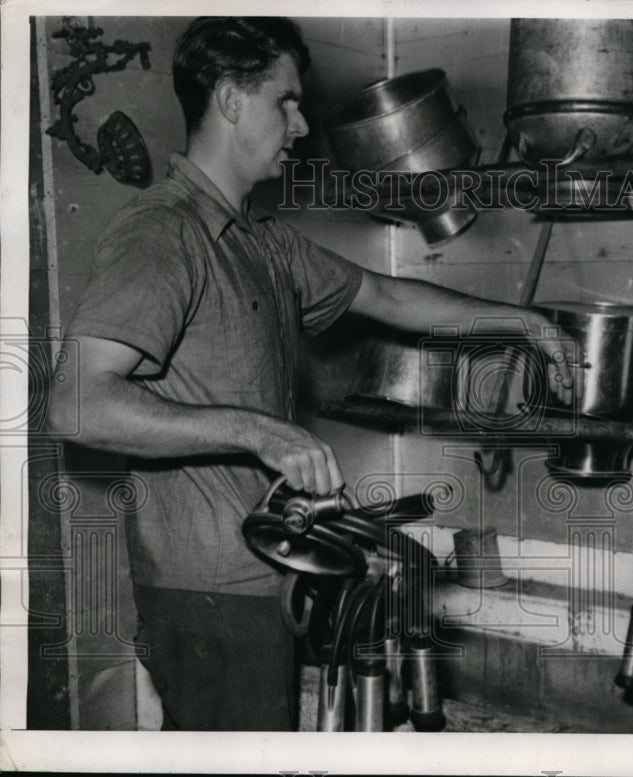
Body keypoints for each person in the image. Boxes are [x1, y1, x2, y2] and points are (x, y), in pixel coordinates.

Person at [46, 16, 572, 731]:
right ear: (231, 99)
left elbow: (386, 295)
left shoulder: (262, 241)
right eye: (285, 102)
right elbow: (77, 404)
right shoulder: (163, 234)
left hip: (265, 575)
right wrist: (260, 431)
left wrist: (521, 321)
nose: (300, 126)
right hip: (208, 594)